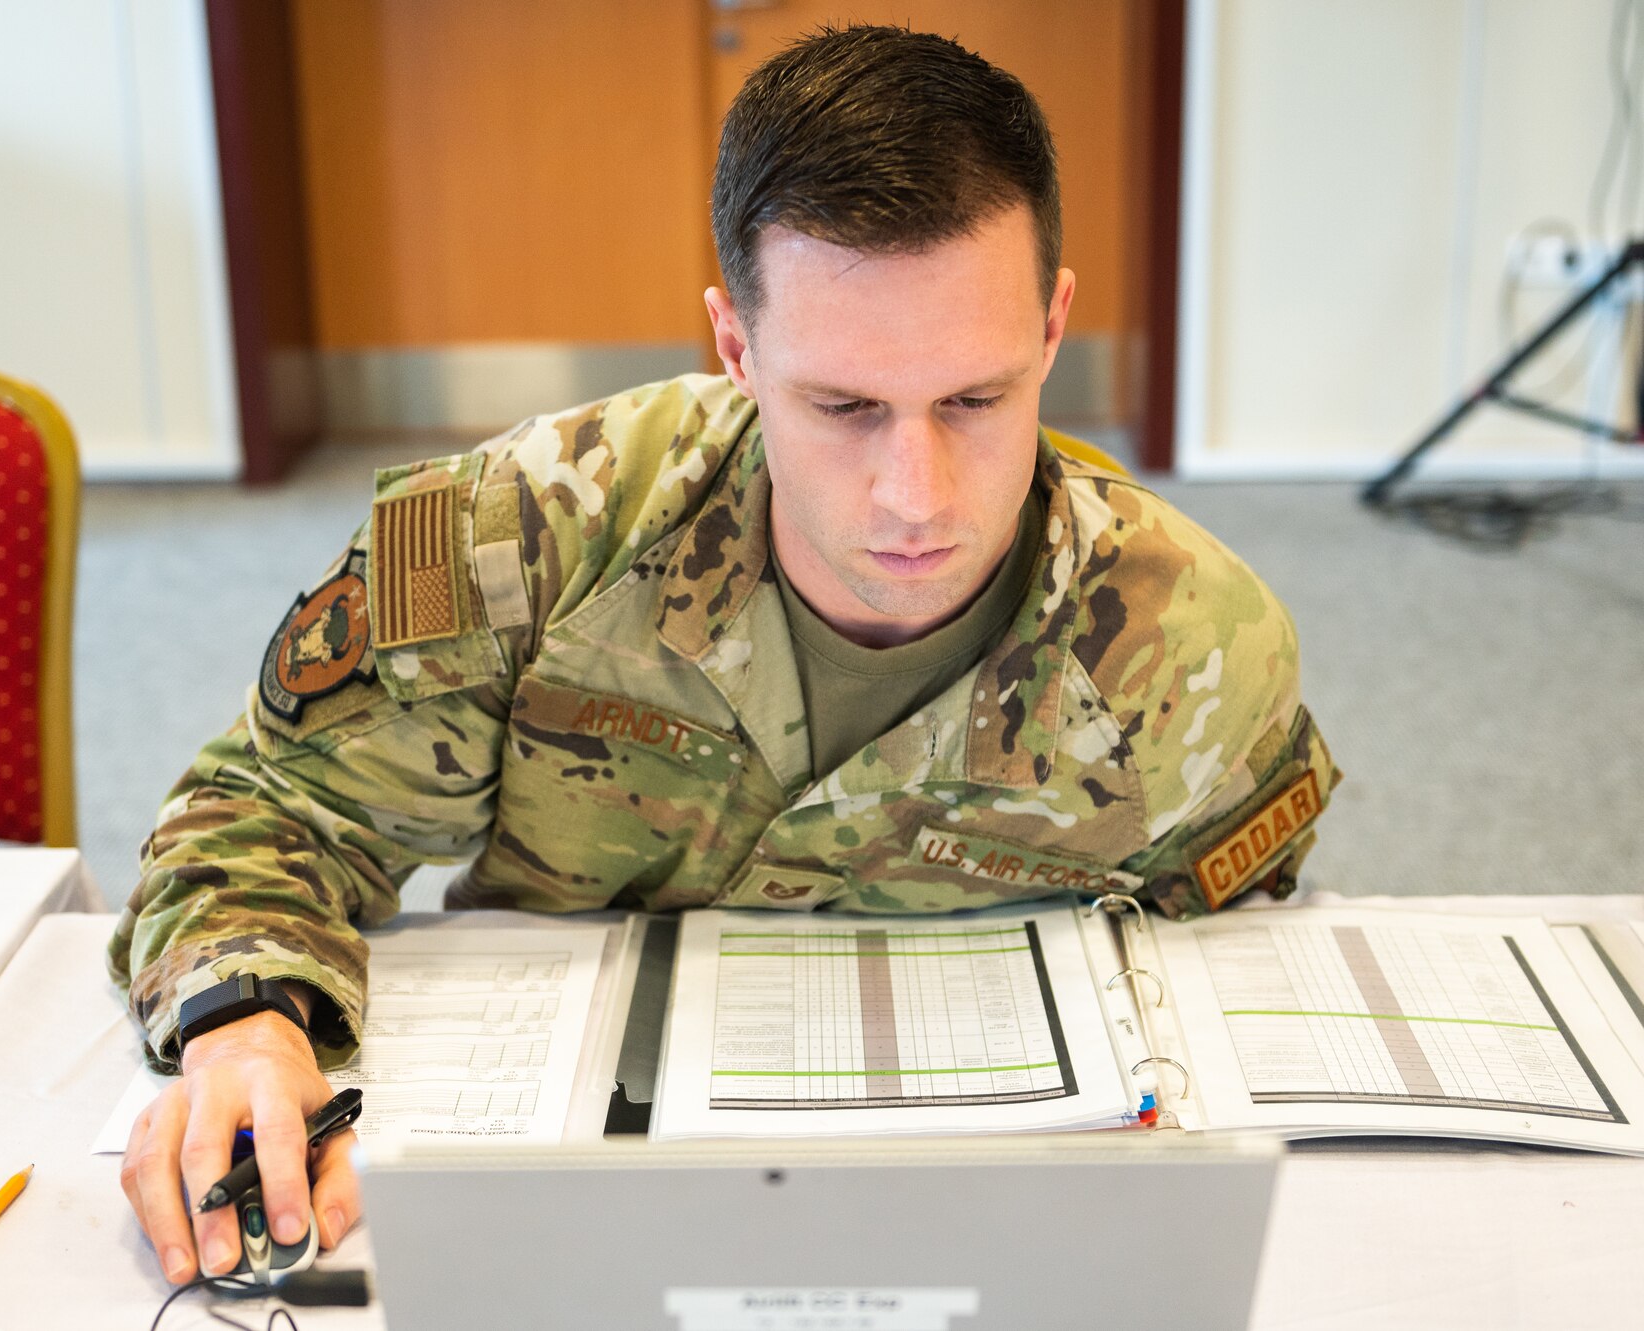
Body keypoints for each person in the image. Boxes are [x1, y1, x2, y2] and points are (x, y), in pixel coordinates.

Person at [109, 24, 1340, 1285]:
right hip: (561, 1188)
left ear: (1052, 325)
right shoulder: (524, 535)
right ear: (734, 347)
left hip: (991, 1209)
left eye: (973, 399)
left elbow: (1230, 965)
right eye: (842, 405)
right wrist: (246, 1027)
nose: (912, 494)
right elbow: (271, 806)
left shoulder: (1191, 646)